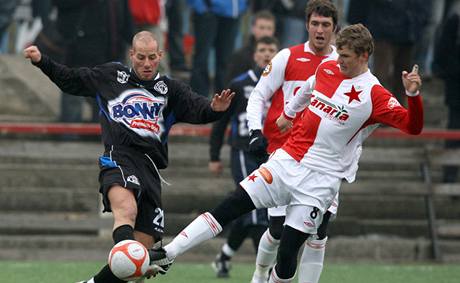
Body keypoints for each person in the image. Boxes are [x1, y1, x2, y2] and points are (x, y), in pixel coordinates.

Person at [148, 23, 423, 283]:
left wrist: (412, 96)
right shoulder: (328, 67)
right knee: (231, 204)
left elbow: (413, 126)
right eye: (339, 53)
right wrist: (288, 113)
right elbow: (308, 87)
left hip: (320, 181)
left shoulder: (375, 94)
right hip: (286, 159)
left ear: (364, 55)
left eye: (347, 56)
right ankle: (169, 253)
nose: (339, 60)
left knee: (288, 251)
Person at [24, 31, 234, 283]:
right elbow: (71, 79)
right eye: (141, 57)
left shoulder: (170, 89)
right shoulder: (111, 76)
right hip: (119, 157)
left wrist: (214, 109)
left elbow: (198, 108)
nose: (147, 64)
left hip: (151, 169)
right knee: (126, 210)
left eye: (152, 58)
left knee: (139, 261)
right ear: (131, 55)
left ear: (160, 56)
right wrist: (41, 61)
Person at [246, 1, 338, 282]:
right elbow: (258, 95)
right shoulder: (287, 56)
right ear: (306, 25)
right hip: (285, 153)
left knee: (318, 229)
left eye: (326, 25)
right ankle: (261, 273)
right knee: (277, 231)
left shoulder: (343, 63)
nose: (319, 30)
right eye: (315, 24)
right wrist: (254, 131)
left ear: (335, 28)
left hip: (324, 161)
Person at [209, 36, 279, 278]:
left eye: (271, 49)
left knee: (250, 209)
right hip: (243, 150)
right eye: (263, 49)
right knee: (257, 211)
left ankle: (225, 256)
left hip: (273, 153)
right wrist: (214, 155)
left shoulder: (284, 83)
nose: (267, 54)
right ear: (254, 55)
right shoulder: (239, 84)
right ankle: (267, 271)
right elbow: (221, 124)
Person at [188, 0, 248, 97]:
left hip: (233, 13)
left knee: (225, 62)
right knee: (201, 60)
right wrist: (200, 6)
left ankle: (222, 103)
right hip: (208, 11)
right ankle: (197, 102)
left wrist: (242, 6)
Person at [432, 0, 460, 183]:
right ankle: (450, 176)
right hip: (456, 90)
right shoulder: (454, 20)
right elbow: (442, 55)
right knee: (454, 132)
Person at [225, 10, 276, 84]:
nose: (265, 32)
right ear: (253, 29)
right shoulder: (240, 56)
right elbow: (232, 85)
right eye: (262, 28)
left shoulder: (281, 55)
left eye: (269, 28)